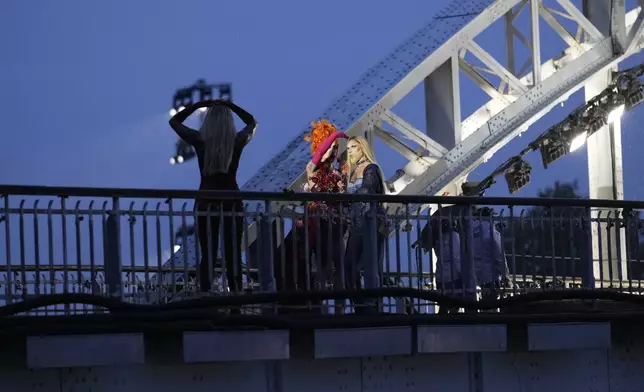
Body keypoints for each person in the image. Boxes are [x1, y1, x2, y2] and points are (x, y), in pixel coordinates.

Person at [169, 99, 257, 296]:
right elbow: (252, 122)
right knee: (232, 256)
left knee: (207, 255)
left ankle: (205, 299)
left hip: (205, 203)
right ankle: (236, 303)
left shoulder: (200, 140)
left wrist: (198, 105)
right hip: (232, 203)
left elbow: (174, 122)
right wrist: (232, 105)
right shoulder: (236, 141)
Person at [344, 135, 387, 314]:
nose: (350, 151)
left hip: (371, 222)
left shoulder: (371, 169)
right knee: (349, 264)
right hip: (356, 225)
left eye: (353, 147)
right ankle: (359, 304)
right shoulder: (352, 172)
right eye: (348, 148)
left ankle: (372, 304)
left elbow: (368, 188)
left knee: (371, 265)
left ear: (362, 148)